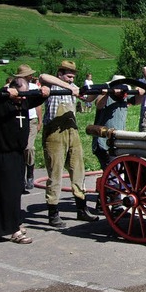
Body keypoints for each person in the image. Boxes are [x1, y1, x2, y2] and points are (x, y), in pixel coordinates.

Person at [40, 60, 99, 227]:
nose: (71, 79)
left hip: (72, 133)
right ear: (60, 74)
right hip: (55, 134)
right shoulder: (53, 86)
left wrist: (102, 90)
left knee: (78, 170)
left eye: (73, 76)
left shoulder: (73, 88)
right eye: (68, 75)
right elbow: (43, 76)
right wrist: (68, 86)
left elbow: (88, 100)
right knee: (55, 173)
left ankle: (81, 209)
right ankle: (53, 213)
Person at [0, 77, 49, 244]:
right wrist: (4, 92)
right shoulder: (1, 103)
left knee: (15, 191)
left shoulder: (23, 102)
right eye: (19, 94)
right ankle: (13, 230)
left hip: (18, 155)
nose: (22, 98)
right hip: (3, 155)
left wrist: (44, 93)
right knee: (8, 193)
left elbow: (37, 97)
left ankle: (12, 223)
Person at [13, 64, 42, 194]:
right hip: (18, 118)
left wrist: (40, 120)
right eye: (27, 74)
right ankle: (20, 179)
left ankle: (30, 174)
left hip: (32, 120)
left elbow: (38, 106)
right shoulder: (15, 87)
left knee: (29, 147)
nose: (30, 76)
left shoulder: (34, 88)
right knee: (19, 149)